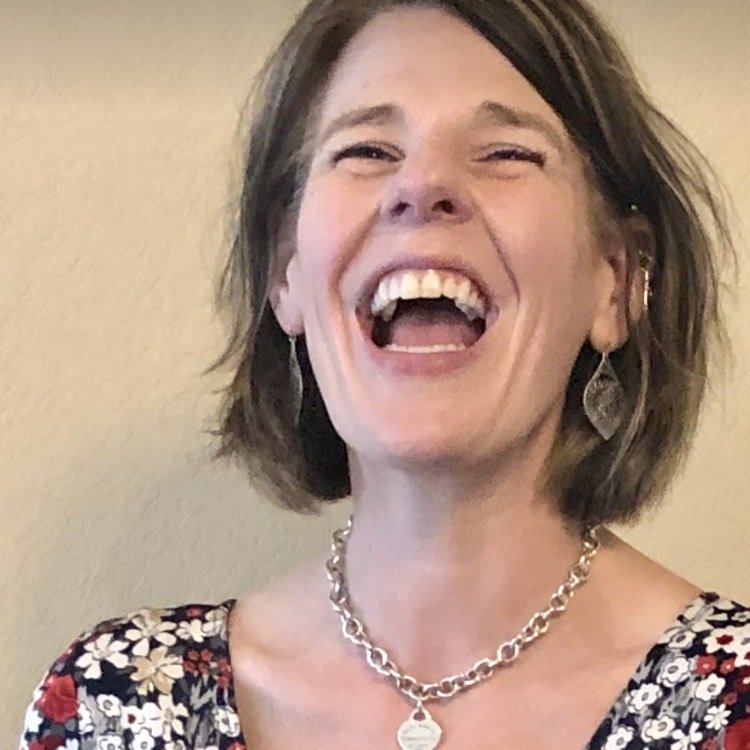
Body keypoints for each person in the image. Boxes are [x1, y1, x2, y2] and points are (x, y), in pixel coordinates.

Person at [20, 0, 748, 748]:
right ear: (286, 273)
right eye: (367, 150)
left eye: (506, 152)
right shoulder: (112, 704)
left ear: (616, 281)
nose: (422, 184)